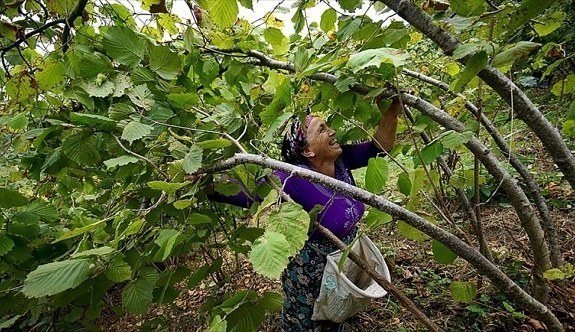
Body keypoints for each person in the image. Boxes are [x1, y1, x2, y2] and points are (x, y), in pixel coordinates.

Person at [198, 96, 401, 331]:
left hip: (343, 260)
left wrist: (391, 113)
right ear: (307, 151)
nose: (332, 132)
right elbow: (246, 192)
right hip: (311, 273)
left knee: (333, 316)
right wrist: (204, 180)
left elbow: (380, 148)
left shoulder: (342, 161)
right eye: (322, 130)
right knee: (306, 322)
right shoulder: (292, 178)